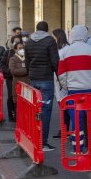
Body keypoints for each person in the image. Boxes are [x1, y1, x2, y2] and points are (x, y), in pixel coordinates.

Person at [58, 25, 91, 153]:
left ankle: (77, 148)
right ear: (85, 35)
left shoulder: (64, 52)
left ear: (71, 36)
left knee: (76, 120)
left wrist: (67, 87)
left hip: (73, 92)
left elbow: (61, 75)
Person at [25, 21, 59, 151]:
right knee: (45, 111)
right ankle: (43, 142)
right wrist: (58, 74)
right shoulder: (50, 41)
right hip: (46, 78)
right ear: (47, 29)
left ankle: (34, 138)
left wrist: (30, 73)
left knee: (34, 110)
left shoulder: (29, 41)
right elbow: (55, 61)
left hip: (33, 78)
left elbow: (27, 61)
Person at [51, 29, 70, 139]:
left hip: (63, 82)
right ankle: (64, 130)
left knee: (65, 107)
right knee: (63, 107)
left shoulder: (65, 50)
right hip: (57, 82)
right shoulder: (57, 49)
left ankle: (64, 130)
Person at [0, 35, 21, 122]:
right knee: (11, 96)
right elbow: (2, 64)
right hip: (10, 78)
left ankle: (18, 114)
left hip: (20, 77)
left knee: (19, 96)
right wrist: (9, 71)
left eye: (19, 41)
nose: (17, 43)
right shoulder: (8, 52)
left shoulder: (23, 52)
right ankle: (11, 115)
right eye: (15, 41)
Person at [9, 42, 29, 113]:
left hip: (27, 85)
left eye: (23, 48)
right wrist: (26, 70)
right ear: (15, 50)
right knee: (19, 107)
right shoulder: (13, 59)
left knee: (28, 106)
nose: (22, 50)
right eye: (20, 48)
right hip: (18, 85)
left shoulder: (27, 58)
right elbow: (13, 71)